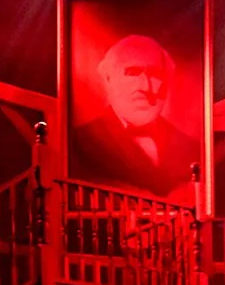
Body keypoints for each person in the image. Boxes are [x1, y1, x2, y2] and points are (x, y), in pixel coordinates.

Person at [71, 34, 199, 202]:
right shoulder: (78, 143)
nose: (145, 86)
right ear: (108, 80)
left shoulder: (191, 149)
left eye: (155, 74)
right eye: (132, 72)